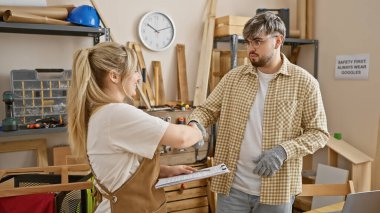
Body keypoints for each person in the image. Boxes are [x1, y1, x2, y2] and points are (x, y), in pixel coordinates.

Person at [188, 11, 329, 213]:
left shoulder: (305, 83)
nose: (250, 49)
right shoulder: (233, 78)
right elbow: (205, 110)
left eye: (257, 42)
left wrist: (283, 151)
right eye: (248, 42)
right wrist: (195, 125)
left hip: (277, 191)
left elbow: (319, 133)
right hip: (232, 189)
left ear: (277, 41)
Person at [67, 42, 206, 213]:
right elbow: (183, 138)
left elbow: (121, 168)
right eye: (134, 70)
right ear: (114, 76)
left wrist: (163, 171)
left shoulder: (101, 114)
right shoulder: (116, 114)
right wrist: (197, 126)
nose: (138, 77)